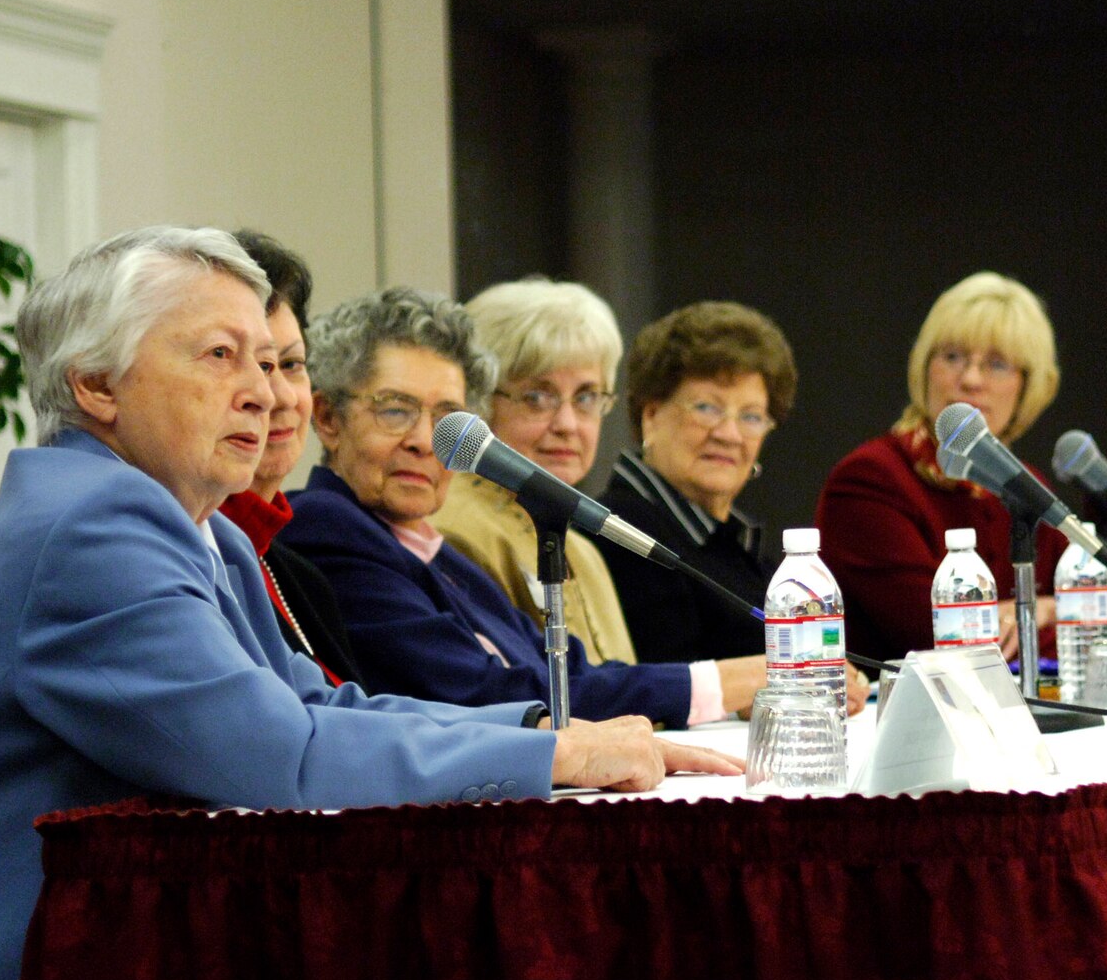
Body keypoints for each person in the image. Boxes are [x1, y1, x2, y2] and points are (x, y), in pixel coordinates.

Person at [0, 227, 737, 980]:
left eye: (272, 362)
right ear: (98, 388)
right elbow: (286, 757)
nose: (268, 393)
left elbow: (325, 702)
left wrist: (535, 732)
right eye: (219, 356)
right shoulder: (88, 528)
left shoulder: (200, 529)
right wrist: (557, 761)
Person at [281, 286, 781, 727]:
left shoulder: (431, 550)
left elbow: (567, 675)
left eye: (445, 416)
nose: (423, 440)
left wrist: (725, 684)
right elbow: (485, 695)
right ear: (327, 418)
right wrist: (716, 684)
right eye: (395, 410)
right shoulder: (329, 529)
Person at [816, 271, 1067, 664]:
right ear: (924, 367)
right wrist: (1048, 610)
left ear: (1028, 387)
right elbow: (938, 636)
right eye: (952, 357)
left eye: (997, 364)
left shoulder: (1026, 485)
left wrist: (1036, 615)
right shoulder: (871, 478)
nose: (970, 379)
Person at [432, 277, 637, 662]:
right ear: (479, 401)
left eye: (586, 397)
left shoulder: (585, 550)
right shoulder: (455, 531)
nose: (568, 424)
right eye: (537, 397)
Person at [593, 301, 791, 664]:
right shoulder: (623, 529)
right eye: (707, 408)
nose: (729, 434)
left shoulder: (731, 540)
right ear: (650, 416)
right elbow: (673, 684)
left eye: (751, 417)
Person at [217, 230, 359, 682]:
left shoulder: (300, 577)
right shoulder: (186, 556)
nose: (276, 395)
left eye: (291, 364)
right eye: (253, 366)